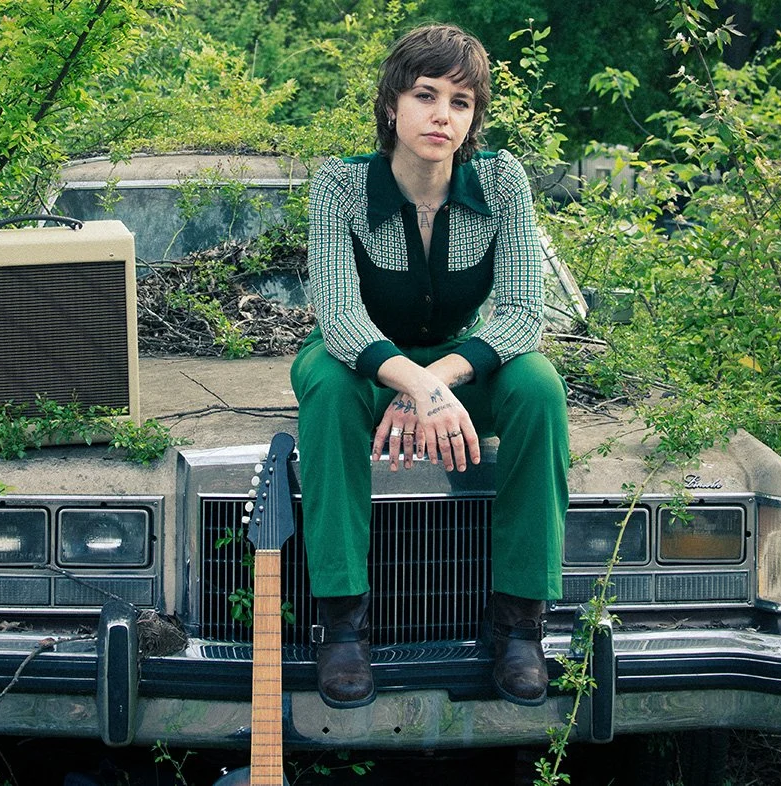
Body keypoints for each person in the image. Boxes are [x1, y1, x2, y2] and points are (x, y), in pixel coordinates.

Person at [290, 23, 569, 709]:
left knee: (538, 385)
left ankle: (519, 625)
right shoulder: (340, 185)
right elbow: (339, 315)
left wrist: (436, 382)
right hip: (357, 365)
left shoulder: (501, 181)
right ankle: (343, 625)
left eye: (460, 101)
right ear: (392, 104)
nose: (442, 114)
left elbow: (523, 313)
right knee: (327, 387)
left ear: (474, 119)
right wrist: (412, 383)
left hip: (457, 366)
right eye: (425, 94)